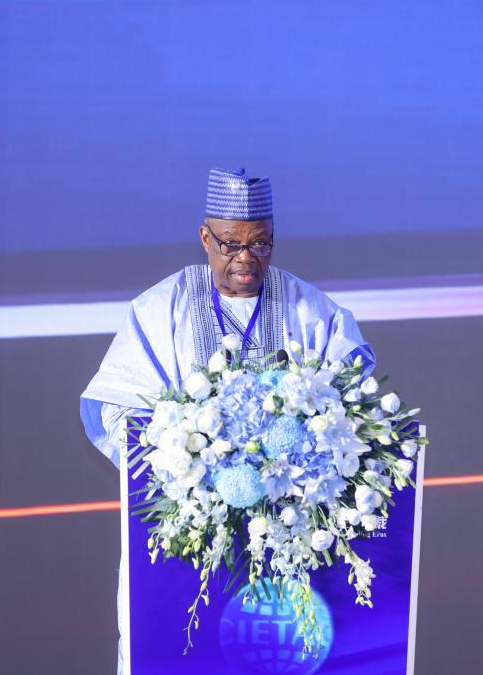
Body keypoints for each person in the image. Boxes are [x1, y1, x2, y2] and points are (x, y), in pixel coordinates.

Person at [78, 166, 375, 674]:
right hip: (190, 535)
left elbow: (352, 408)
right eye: (231, 243)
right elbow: (114, 408)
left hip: (291, 535)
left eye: (260, 243)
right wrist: (183, 455)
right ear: (205, 237)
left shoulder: (310, 310)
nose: (245, 258)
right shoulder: (161, 308)